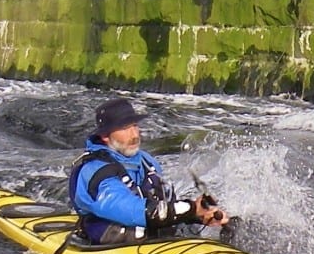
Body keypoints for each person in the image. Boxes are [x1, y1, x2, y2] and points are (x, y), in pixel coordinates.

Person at [68, 98, 228, 244]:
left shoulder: (146, 161)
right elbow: (130, 210)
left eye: (135, 126)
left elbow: (163, 205)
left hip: (152, 240)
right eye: (124, 128)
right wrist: (189, 208)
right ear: (105, 136)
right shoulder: (95, 170)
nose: (134, 135)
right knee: (132, 232)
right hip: (112, 245)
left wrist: (198, 215)